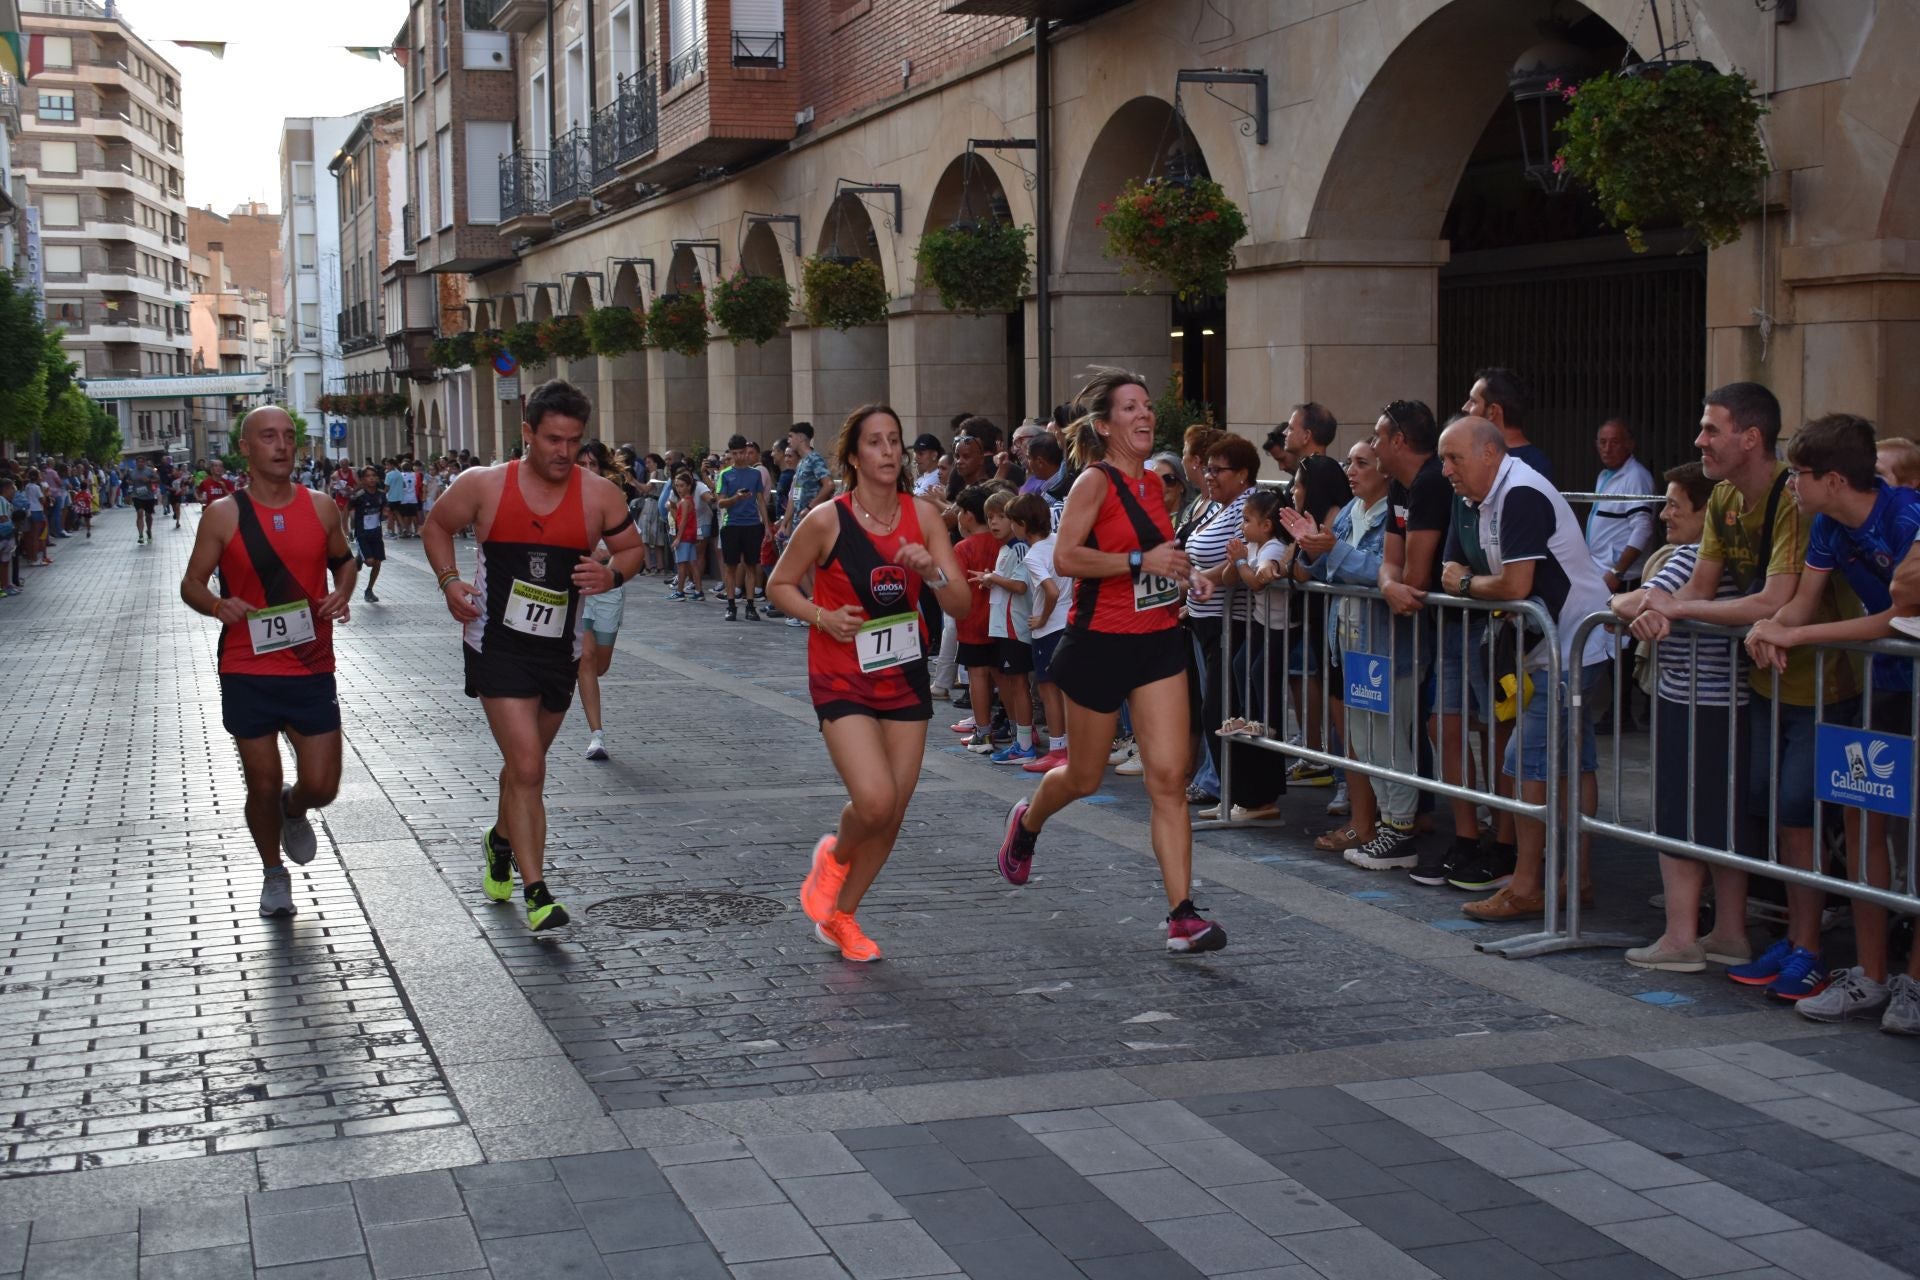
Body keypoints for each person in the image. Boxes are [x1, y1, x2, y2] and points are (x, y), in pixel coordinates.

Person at [996, 367, 1226, 953]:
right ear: (1104, 425)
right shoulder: (1092, 483)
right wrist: (1136, 563)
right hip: (1098, 645)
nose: (1145, 416)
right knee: (1083, 776)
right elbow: (1068, 557)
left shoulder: (1154, 485)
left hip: (1155, 643)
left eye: (1147, 407)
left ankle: (1182, 914)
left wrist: (1188, 576)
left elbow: (1160, 557)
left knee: (1168, 780)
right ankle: (1026, 823)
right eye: (1130, 408)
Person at [1637, 382, 1855, 1001]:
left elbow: (1773, 601)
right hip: (1768, 686)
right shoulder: (1728, 496)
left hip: (1825, 686)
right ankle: (1794, 941)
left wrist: (1670, 610)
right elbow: (1700, 588)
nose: (1699, 441)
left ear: (1750, 438)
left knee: (1800, 817)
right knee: (1774, 816)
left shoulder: (1793, 497)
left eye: (1711, 430)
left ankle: (1814, 949)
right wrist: (1661, 606)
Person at [423, 380, 645, 932]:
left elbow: (633, 548)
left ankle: (499, 840)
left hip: (558, 653)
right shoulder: (483, 485)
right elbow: (436, 526)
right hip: (495, 644)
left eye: (573, 440)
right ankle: (538, 891)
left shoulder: (599, 495)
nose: (563, 452)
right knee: (528, 766)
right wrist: (450, 582)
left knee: (524, 769)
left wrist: (612, 572)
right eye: (551, 439)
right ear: (527, 433)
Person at [766, 404, 971, 962]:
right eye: (874, 442)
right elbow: (779, 584)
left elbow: (962, 602)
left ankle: (841, 915)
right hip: (840, 675)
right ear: (854, 456)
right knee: (875, 800)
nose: (886, 451)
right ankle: (834, 856)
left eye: (894, 441)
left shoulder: (924, 515)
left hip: (903, 673)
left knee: (894, 811)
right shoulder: (828, 519)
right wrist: (821, 617)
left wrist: (931, 571)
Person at [1747, 414, 1920, 1027]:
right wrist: (1770, 628)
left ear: (1835, 478)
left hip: (1907, 672)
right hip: (1886, 682)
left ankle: (1914, 981)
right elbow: (1803, 600)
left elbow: (1898, 617)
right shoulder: (1823, 523)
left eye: (1798, 475)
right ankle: (1870, 975)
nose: (1791, 485)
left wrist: (1799, 635)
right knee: (1861, 809)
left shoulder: (1908, 514)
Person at [179, 407, 357, 918]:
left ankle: (293, 807)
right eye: (268, 437)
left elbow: (344, 562)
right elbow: (191, 582)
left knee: (322, 785)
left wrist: (342, 593)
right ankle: (273, 874)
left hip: (310, 665)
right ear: (246, 449)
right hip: (247, 667)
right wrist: (217, 604)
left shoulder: (322, 507)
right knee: (259, 780)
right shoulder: (223, 514)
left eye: (287, 436)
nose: (281, 446)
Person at [1437, 416, 1612, 922]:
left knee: (1525, 758)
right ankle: (1573, 880)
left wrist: (1468, 585)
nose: (1446, 469)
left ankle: (1532, 884)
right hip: (1549, 645)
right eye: (1445, 459)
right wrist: (1466, 580)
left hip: (1573, 642)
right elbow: (1451, 569)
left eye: (1455, 458)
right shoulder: (1475, 496)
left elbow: (1513, 586)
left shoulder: (1521, 493)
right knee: (1569, 760)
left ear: (1491, 453)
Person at [1612, 462, 1756, 975]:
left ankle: (1680, 937)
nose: (1665, 514)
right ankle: (1730, 931)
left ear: (1709, 513)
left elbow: (1636, 599)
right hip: (1735, 704)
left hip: (1692, 703)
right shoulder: (1740, 567)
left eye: (1676, 504)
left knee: (1678, 820)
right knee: (1725, 822)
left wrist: (1628, 601)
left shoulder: (1689, 561)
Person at [1294, 439, 1404, 863]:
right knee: (1358, 737)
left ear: (1385, 470)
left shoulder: (1392, 515)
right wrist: (1306, 543)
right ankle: (1366, 822)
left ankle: (1396, 826)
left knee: (1385, 741)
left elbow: (1379, 570)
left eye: (1362, 463)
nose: (1351, 471)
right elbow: (1314, 570)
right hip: (1346, 641)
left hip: (1380, 642)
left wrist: (1329, 550)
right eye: (1349, 463)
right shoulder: (1349, 515)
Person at [1278, 403, 1353, 791]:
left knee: (1344, 703)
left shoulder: (1332, 517)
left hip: (1339, 623)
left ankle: (1345, 779)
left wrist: (1298, 549)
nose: (1291, 491)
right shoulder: (1311, 517)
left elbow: (1301, 568)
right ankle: (1332, 767)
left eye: (1291, 427)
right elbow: (1288, 565)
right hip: (1320, 620)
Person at [1184, 433, 1259, 806]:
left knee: (1222, 709)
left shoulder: (1249, 507)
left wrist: (1201, 579)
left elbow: (1237, 563)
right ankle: (1223, 787)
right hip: (1204, 620)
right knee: (1210, 705)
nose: (1209, 476)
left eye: (1218, 470)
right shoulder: (1218, 505)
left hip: (1231, 622)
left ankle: (1236, 793)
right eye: (1207, 468)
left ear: (1243, 473)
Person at [976, 490, 1041, 765]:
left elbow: (1020, 585)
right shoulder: (1006, 548)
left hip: (1016, 624)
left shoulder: (1018, 547)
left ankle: (1025, 743)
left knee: (1018, 684)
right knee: (1013, 683)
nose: (995, 522)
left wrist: (994, 578)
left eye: (1001, 516)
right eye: (990, 517)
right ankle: (1022, 738)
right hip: (1005, 624)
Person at [574, 441, 628, 761]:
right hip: (578, 591)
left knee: (600, 665)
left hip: (608, 590)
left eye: (593, 464)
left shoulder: (611, 498)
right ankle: (597, 735)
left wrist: (604, 554)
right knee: (586, 657)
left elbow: (629, 547)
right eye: (582, 463)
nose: (587, 470)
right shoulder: (560, 498)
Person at [1022, 493, 1072, 773]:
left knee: (1049, 690)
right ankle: (1070, 747)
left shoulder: (1033, 555)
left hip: (1049, 628)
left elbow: (1050, 590)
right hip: (1068, 622)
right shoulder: (1058, 542)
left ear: (1021, 524)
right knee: (1066, 690)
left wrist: (1041, 618)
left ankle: (1057, 749)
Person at [949, 485, 1002, 752]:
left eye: (959, 512)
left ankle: (983, 733)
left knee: (978, 676)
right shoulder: (1004, 542)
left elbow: (956, 585)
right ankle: (1021, 732)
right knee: (1007, 680)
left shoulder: (963, 548)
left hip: (973, 621)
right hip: (1003, 621)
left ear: (969, 516)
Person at [1587, 419, 1658, 592]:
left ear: (1630, 445)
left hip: (1620, 579)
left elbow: (1643, 528)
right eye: (1603, 442)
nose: (1607, 448)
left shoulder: (1636, 477)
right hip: (1600, 573)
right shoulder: (1604, 475)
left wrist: (1617, 571)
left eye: (1615, 442)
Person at [1462, 367, 1553, 481]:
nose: (1465, 407)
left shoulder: (1533, 466)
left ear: (1492, 411)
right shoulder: (1537, 462)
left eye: (1473, 402)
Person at [715, 434, 770, 621]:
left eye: (742, 453)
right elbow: (720, 503)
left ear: (747, 452)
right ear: (731, 453)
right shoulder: (725, 474)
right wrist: (736, 498)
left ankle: (750, 605)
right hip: (731, 524)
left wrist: (767, 525)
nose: (739, 457)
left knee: (751, 566)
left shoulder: (755, 474)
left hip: (752, 524)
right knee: (730, 566)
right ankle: (731, 605)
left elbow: (761, 500)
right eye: (735, 453)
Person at [348, 467, 388, 602]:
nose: (371, 478)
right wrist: (349, 529)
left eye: (373, 475)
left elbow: (384, 509)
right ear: (363, 480)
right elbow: (348, 511)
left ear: (377, 478)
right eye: (368, 476)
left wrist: (385, 514)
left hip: (376, 533)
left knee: (377, 563)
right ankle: (360, 557)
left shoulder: (382, 494)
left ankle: (369, 590)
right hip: (362, 534)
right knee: (370, 562)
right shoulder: (358, 496)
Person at [129, 455, 159, 544]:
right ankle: (141, 535)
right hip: (137, 496)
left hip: (149, 496)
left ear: (144, 463)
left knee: (148, 516)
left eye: (142, 462)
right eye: (138, 462)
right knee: (140, 513)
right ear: (136, 463)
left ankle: (149, 530)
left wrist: (149, 480)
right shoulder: (132, 472)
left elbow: (158, 479)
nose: (140, 463)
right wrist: (129, 494)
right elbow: (129, 482)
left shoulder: (150, 470)